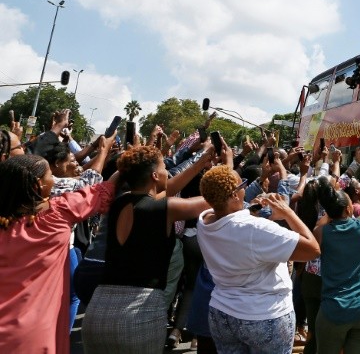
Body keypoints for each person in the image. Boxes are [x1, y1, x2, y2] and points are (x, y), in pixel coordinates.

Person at [81, 145, 212, 353]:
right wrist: (227, 168)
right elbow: (214, 200)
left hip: (97, 310)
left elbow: (163, 191)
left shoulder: (118, 202)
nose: (166, 173)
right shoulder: (166, 208)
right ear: (154, 175)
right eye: (163, 168)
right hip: (139, 312)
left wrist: (200, 163)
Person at [196, 165, 320, 354]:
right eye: (242, 185)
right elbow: (312, 249)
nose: (245, 189)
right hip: (265, 316)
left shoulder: (204, 222)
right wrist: (288, 212)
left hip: (222, 314)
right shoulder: (255, 229)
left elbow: (235, 227)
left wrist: (254, 212)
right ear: (234, 195)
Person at [0, 154, 118, 353]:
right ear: (39, 185)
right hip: (36, 334)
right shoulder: (58, 214)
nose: (54, 180)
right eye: (50, 176)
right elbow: (103, 190)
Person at [313, 166, 360, 354]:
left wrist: (328, 212)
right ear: (349, 209)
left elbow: (319, 225)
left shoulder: (321, 233)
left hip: (333, 314)